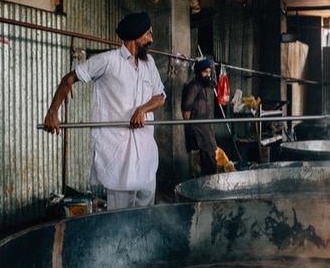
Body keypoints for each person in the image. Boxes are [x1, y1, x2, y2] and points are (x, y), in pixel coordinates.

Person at [43, 11, 166, 210]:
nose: (151, 39)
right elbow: (69, 79)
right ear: (136, 35)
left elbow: (160, 96)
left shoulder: (148, 63)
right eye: (148, 34)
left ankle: (142, 240)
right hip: (119, 150)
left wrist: (142, 110)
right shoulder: (108, 61)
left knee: (146, 202)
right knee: (121, 211)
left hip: (145, 148)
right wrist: (52, 113)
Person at [181, 59, 218, 176]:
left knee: (211, 158)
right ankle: (209, 188)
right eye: (205, 72)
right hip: (199, 130)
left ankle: (209, 185)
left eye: (209, 72)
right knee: (209, 162)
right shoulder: (194, 86)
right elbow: (186, 109)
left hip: (205, 128)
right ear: (198, 73)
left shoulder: (202, 86)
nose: (208, 75)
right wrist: (189, 128)